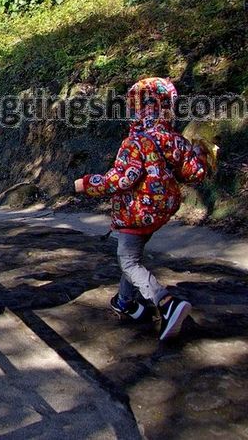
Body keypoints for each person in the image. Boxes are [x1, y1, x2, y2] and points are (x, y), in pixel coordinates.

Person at [74, 77, 211, 341]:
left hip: (135, 213)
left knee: (128, 260)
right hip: (162, 211)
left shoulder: (135, 142)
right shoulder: (176, 141)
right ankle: (125, 302)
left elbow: (121, 180)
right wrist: (201, 155)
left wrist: (87, 184)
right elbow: (194, 174)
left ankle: (166, 302)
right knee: (133, 257)